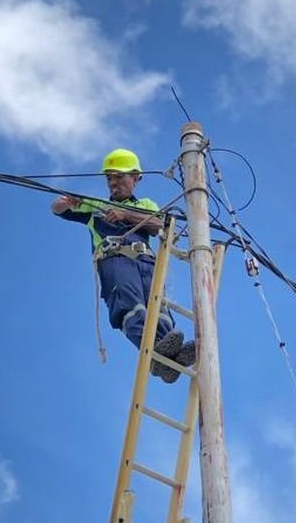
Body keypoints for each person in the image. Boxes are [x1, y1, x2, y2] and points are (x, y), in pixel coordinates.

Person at [52, 148, 194, 382]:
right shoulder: (95, 206)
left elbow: (159, 226)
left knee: (158, 309)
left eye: (119, 176)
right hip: (115, 261)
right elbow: (58, 210)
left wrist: (124, 215)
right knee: (131, 307)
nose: (113, 183)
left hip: (146, 262)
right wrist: (64, 202)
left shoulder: (145, 205)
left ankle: (170, 359)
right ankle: (157, 358)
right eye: (109, 178)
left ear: (135, 178)